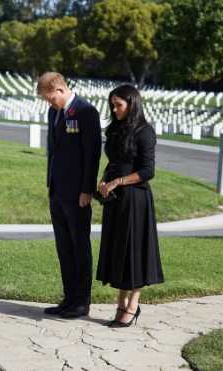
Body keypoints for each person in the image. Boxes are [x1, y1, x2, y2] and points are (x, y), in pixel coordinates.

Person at [96, 84, 164, 327]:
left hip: (136, 200)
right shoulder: (116, 129)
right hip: (115, 201)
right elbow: (114, 161)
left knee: (134, 254)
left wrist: (118, 181)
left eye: (119, 105)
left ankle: (132, 305)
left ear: (132, 104)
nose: (114, 110)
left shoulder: (145, 132)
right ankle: (120, 302)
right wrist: (104, 181)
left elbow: (148, 171)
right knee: (119, 252)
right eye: (112, 105)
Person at [37, 72, 102, 318]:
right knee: (64, 247)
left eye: (50, 98)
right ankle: (68, 298)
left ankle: (82, 302)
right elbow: (53, 152)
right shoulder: (54, 113)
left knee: (79, 246)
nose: (49, 103)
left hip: (77, 193)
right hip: (57, 190)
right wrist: (50, 184)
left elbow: (92, 154)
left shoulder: (86, 112)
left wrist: (87, 190)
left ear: (60, 89)